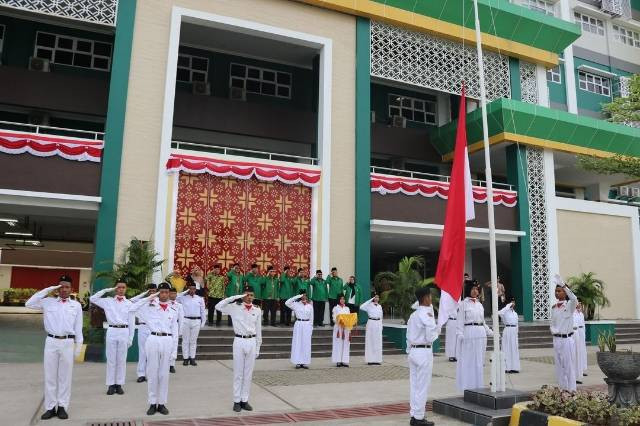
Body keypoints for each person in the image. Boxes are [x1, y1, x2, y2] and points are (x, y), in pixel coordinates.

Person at [26, 275, 83, 420]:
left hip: (68, 343)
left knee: (65, 377)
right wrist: (49, 289)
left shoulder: (76, 306)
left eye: (67, 287)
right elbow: (29, 303)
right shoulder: (47, 302)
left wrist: (78, 347)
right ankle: (50, 407)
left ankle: (62, 406)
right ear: (57, 288)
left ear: (72, 289)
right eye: (61, 286)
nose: (64, 289)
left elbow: (78, 328)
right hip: (51, 342)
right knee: (50, 376)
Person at [129, 282, 179, 416]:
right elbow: (132, 307)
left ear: (169, 293)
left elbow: (175, 331)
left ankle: (161, 403)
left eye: (166, 292)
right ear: (158, 293)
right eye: (161, 292)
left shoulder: (174, 310)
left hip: (167, 340)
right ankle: (152, 403)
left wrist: (174, 352)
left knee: (164, 374)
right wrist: (150, 297)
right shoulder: (149, 307)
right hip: (153, 339)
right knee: (152, 372)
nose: (163, 294)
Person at [215, 286, 262, 412]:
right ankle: (236, 400)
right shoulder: (234, 307)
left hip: (251, 341)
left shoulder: (257, 310)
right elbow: (218, 306)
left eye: (252, 295)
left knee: (248, 373)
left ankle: (244, 400)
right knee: (238, 373)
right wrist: (234, 298)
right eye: (247, 295)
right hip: (239, 341)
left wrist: (258, 347)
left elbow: (258, 330)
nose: (250, 297)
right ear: (242, 295)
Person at [89, 278, 135, 395]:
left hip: (124, 331)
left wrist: (130, 338)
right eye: (118, 287)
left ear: (126, 289)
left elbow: (132, 323)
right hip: (112, 331)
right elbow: (93, 298)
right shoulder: (108, 301)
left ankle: (119, 384)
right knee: (111, 360)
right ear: (115, 289)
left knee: (121, 360)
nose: (120, 290)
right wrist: (107, 290)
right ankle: (110, 384)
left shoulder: (129, 304)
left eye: (123, 287)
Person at [406, 285, 439, 426]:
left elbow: (408, 336)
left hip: (413, 351)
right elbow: (431, 337)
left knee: (414, 386)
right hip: (423, 352)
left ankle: (414, 415)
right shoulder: (427, 314)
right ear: (425, 298)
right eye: (430, 296)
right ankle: (419, 418)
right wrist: (438, 328)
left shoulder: (413, 315)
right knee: (422, 386)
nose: (431, 298)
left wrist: (409, 351)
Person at [456, 284, 493, 392]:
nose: (475, 291)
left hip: (480, 333)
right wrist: (460, 334)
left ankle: (478, 386)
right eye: (473, 289)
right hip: (469, 332)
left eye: (476, 289)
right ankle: (468, 387)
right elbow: (460, 321)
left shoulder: (479, 304)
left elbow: (483, 322)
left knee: (479, 361)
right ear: (468, 290)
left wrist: (490, 332)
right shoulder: (463, 304)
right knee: (469, 360)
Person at [550, 274, 578, 391]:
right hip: (557, 339)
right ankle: (563, 390)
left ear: (564, 293)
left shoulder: (570, 305)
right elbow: (553, 323)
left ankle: (572, 391)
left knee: (568, 366)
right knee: (559, 367)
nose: (557, 293)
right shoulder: (554, 308)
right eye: (556, 291)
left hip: (567, 339)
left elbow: (574, 299)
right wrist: (552, 329)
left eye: (559, 291)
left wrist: (564, 286)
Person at [177, 277, 206, 366]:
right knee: (185, 340)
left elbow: (203, 311)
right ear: (188, 289)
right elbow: (176, 297)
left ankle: (192, 358)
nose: (192, 290)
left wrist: (203, 322)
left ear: (196, 289)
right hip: (186, 320)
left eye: (193, 289)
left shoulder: (200, 299)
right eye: (190, 289)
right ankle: (185, 358)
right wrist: (185, 292)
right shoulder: (183, 298)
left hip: (196, 321)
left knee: (193, 341)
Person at [135, 283, 157, 383]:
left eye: (154, 291)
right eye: (150, 291)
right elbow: (132, 300)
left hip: (153, 328)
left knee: (152, 353)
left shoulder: (159, 302)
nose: (152, 293)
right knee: (143, 352)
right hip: (143, 327)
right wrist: (144, 294)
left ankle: (150, 374)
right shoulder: (141, 301)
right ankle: (141, 374)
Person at [286, 289, 314, 368]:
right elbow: (287, 302)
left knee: (306, 343)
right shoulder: (296, 304)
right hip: (299, 324)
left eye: (305, 295)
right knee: (298, 342)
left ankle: (305, 362)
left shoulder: (310, 306)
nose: (304, 297)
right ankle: (297, 361)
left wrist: (311, 328)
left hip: (307, 324)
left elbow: (312, 318)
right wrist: (298, 296)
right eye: (302, 295)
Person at [498, 298, 520, 374]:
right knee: (506, 348)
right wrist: (507, 306)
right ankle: (506, 367)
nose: (513, 304)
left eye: (514, 302)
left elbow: (517, 324)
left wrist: (517, 333)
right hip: (507, 329)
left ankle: (514, 367)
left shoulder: (515, 313)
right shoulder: (505, 312)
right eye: (511, 302)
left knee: (514, 349)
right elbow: (499, 313)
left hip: (514, 331)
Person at [360, 292, 383, 365]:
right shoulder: (369, 305)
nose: (377, 299)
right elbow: (361, 307)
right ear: (373, 298)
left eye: (378, 297)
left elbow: (381, 316)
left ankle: (377, 360)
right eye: (375, 297)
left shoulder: (380, 306)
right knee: (370, 341)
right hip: (371, 322)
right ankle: (370, 359)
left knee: (378, 341)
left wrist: (381, 326)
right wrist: (370, 300)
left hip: (378, 323)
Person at [331, 294, 351, 367]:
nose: (342, 300)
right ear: (338, 300)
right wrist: (340, 321)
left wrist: (349, 323)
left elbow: (349, 317)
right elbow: (334, 318)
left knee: (346, 344)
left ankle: (344, 360)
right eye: (341, 299)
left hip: (346, 328)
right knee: (338, 344)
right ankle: (338, 361)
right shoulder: (335, 308)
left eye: (343, 299)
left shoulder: (347, 308)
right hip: (339, 328)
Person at [168, 287, 184, 374]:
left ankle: (172, 365)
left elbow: (181, 318)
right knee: (167, 344)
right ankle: (165, 363)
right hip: (166, 325)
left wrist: (180, 331)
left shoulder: (179, 305)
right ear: (168, 294)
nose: (173, 295)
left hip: (175, 325)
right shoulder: (165, 303)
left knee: (174, 344)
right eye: (171, 293)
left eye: (174, 294)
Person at [574, 302, 588, 383]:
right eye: (577, 303)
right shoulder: (573, 313)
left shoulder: (581, 314)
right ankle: (577, 374)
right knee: (577, 353)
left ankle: (582, 370)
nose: (579, 305)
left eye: (580, 304)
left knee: (583, 351)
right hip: (576, 332)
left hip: (581, 332)